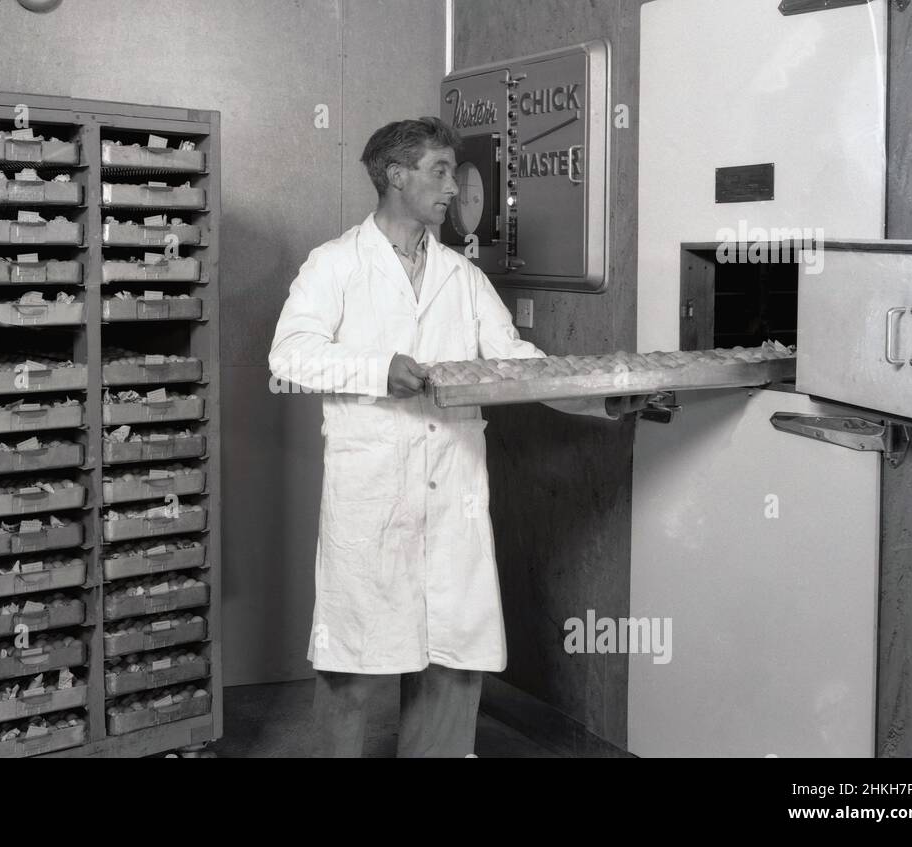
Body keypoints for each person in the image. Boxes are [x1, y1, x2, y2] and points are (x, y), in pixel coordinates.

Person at [268, 116, 643, 757]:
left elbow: (513, 363)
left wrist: (605, 392)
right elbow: (289, 356)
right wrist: (375, 368)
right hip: (373, 492)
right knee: (353, 665)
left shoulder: (462, 277)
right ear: (395, 175)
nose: (455, 189)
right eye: (440, 171)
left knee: (452, 659)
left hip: (452, 498)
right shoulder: (334, 265)